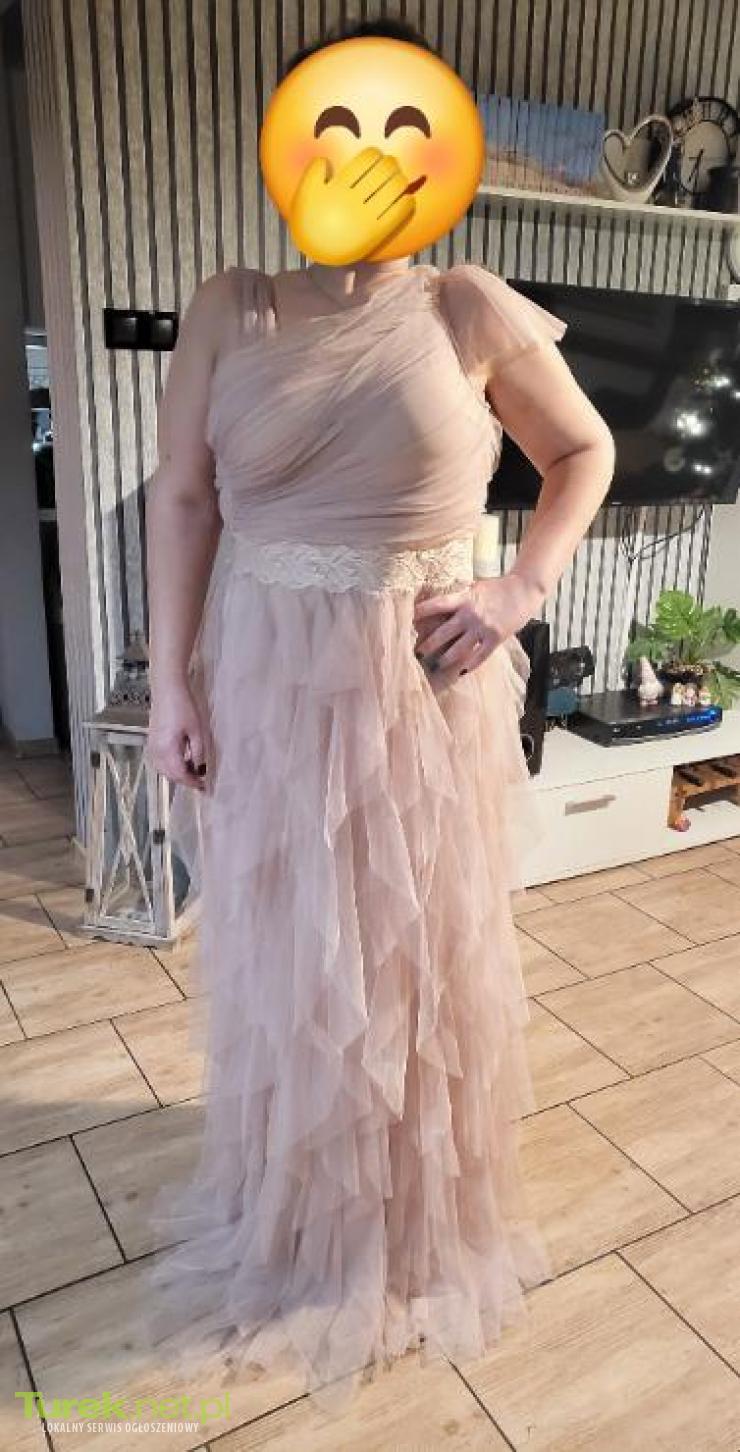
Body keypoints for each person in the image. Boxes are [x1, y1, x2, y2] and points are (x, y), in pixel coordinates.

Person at [142, 15, 615, 1416]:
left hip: (422, 683)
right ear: (296, 146)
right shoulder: (230, 306)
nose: (371, 154)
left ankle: (408, 1228)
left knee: (415, 953)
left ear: (443, 159)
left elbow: (581, 449)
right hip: (269, 674)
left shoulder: (466, 305)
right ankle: (298, 1204)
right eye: (340, 123)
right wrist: (169, 682)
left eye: (406, 128)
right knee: (293, 947)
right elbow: (185, 498)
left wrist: (521, 588)